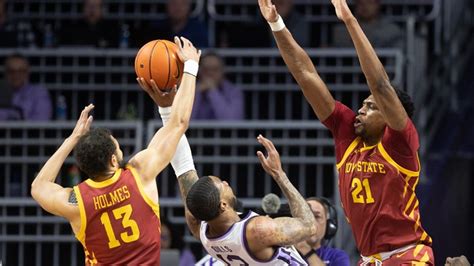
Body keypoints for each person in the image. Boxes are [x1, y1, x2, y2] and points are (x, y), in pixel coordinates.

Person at [258, 0, 434, 264]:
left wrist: (350, 21)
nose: (361, 109)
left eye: (371, 106)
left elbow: (381, 85)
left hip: (408, 255)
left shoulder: (401, 144)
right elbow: (305, 74)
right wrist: (277, 24)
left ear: (390, 117)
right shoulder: (348, 136)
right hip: (369, 259)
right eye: (363, 103)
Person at [31, 36, 201, 264]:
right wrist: (190, 67)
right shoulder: (140, 173)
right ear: (113, 160)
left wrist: (72, 139)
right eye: (119, 148)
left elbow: (38, 186)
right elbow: (179, 123)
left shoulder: (76, 202)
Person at [149, 88, 317, 264]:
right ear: (222, 205)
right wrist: (279, 175)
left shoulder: (200, 229)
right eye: (222, 184)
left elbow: (183, 168)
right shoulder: (258, 231)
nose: (227, 182)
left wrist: (166, 110)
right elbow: (309, 226)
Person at [295, 197, 350, 266]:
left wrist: (305, 249)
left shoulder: (337, 256)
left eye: (317, 216)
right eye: (306, 216)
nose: (312, 222)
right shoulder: (285, 253)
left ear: (328, 225)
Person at [192, 51, 244, 120]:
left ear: (222, 71)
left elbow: (233, 120)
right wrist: (196, 93)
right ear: (199, 71)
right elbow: (185, 120)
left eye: (215, 69)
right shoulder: (191, 89)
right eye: (206, 69)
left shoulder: (234, 91)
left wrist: (213, 91)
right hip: (195, 131)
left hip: (224, 131)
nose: (210, 73)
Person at [331, 0, 404, 49]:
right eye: (360, 3)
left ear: (378, 4)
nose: (365, 6)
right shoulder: (342, 29)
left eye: (369, 2)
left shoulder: (391, 28)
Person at [0, 53, 52, 120]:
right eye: (11, 71)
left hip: (31, 130)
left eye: (21, 71)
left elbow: (42, 119)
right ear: (5, 73)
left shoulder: (39, 92)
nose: (16, 75)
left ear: (27, 72)